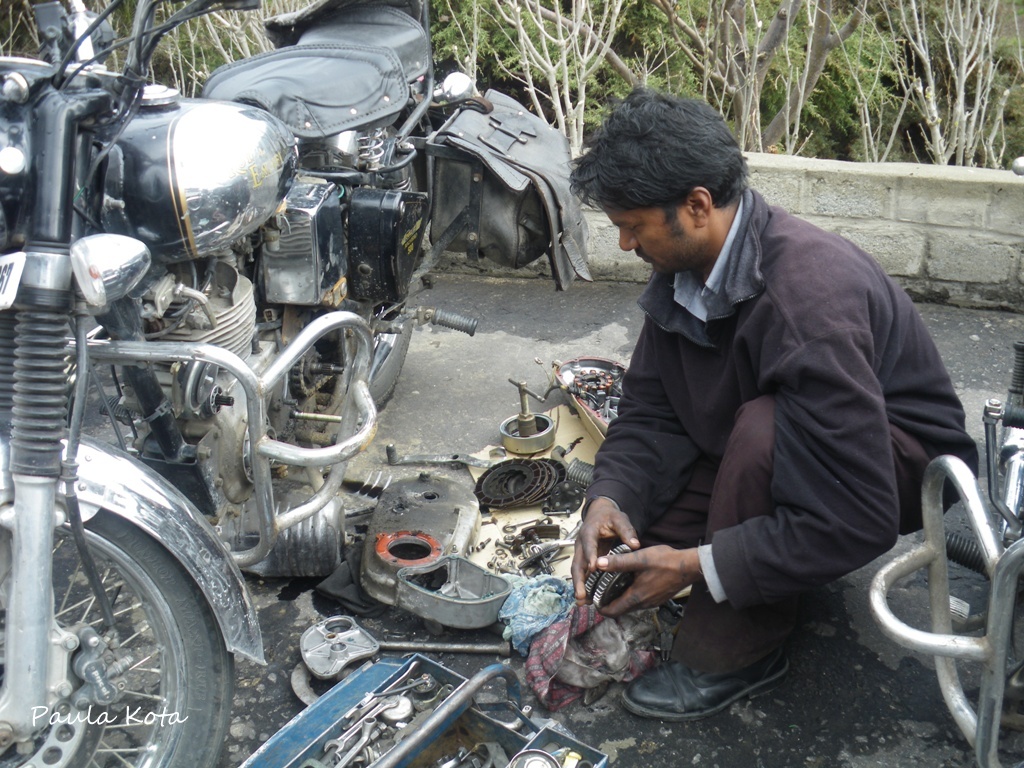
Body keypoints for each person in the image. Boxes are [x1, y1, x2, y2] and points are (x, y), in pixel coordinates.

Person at [567, 88, 978, 722]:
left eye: (632, 227)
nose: (624, 245)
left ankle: (737, 654)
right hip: (787, 437)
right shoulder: (684, 272)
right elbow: (650, 407)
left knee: (762, 436)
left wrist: (699, 564)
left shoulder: (809, 297)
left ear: (697, 206)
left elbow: (861, 515)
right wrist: (610, 496)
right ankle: (764, 557)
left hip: (886, 467)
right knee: (630, 554)